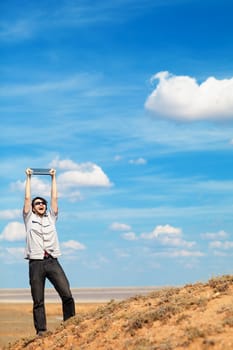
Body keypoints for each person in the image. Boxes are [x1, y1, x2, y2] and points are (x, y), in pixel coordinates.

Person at [23, 168, 75, 335]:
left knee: (66, 294)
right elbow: (26, 197)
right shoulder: (28, 218)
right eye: (37, 203)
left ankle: (70, 324)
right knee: (38, 299)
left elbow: (54, 198)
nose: (41, 205)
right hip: (36, 263)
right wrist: (29, 177)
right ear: (32, 207)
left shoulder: (51, 218)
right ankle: (41, 331)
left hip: (52, 261)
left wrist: (53, 177)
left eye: (43, 203)